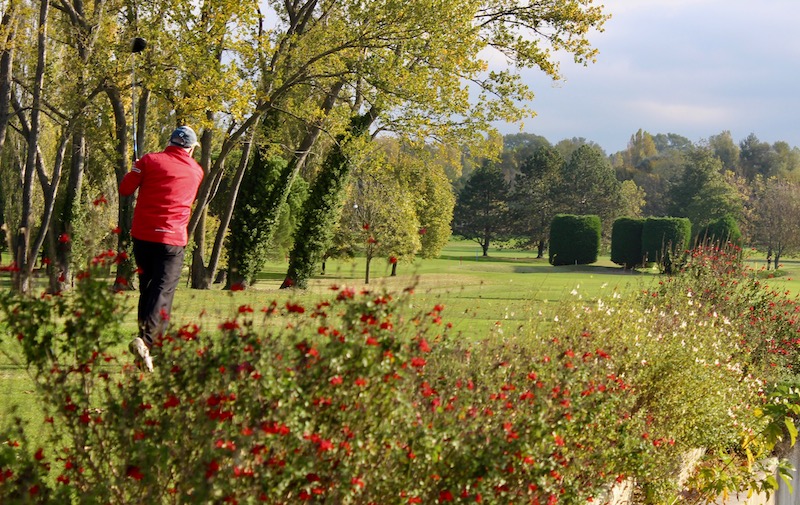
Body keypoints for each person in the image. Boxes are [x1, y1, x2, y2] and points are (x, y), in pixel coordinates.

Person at [119, 126, 204, 372]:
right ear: (190, 148)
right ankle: (147, 342)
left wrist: (136, 169)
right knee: (163, 290)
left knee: (148, 288)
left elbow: (125, 189)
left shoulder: (148, 161)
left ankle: (148, 347)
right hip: (172, 239)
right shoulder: (196, 171)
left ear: (171, 142)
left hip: (143, 236)